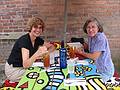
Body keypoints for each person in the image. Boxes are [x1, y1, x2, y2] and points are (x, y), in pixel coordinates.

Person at [4, 17, 55, 86]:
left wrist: (45, 54)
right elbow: (26, 65)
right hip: (14, 70)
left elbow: (52, 46)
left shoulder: (37, 39)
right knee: (41, 74)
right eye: (35, 27)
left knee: (44, 70)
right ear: (30, 28)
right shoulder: (25, 41)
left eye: (40, 28)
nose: (38, 30)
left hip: (22, 67)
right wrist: (37, 53)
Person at [75, 17, 114, 83]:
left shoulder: (100, 38)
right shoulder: (91, 35)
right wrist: (84, 46)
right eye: (88, 27)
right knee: (77, 74)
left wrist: (81, 52)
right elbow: (92, 48)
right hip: (96, 67)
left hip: (104, 72)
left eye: (93, 27)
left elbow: (94, 56)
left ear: (98, 28)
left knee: (88, 84)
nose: (90, 30)